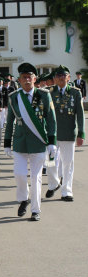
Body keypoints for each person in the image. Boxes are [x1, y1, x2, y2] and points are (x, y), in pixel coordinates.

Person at [3, 63, 56, 221]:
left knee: (36, 177)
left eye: (29, 77)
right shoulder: (14, 97)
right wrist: (7, 143)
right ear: (19, 80)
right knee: (19, 174)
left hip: (38, 142)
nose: (27, 80)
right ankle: (24, 199)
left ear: (34, 79)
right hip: (20, 142)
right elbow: (10, 121)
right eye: (23, 77)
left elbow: (51, 120)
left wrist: (52, 141)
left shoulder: (44, 95)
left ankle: (35, 210)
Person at [45, 65, 84, 201]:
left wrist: (81, 134)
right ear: (55, 79)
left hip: (68, 133)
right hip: (52, 134)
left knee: (68, 164)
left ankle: (66, 191)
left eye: (64, 75)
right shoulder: (48, 92)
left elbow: (80, 114)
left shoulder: (75, 92)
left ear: (68, 78)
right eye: (58, 76)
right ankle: (54, 184)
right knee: (50, 163)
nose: (61, 78)